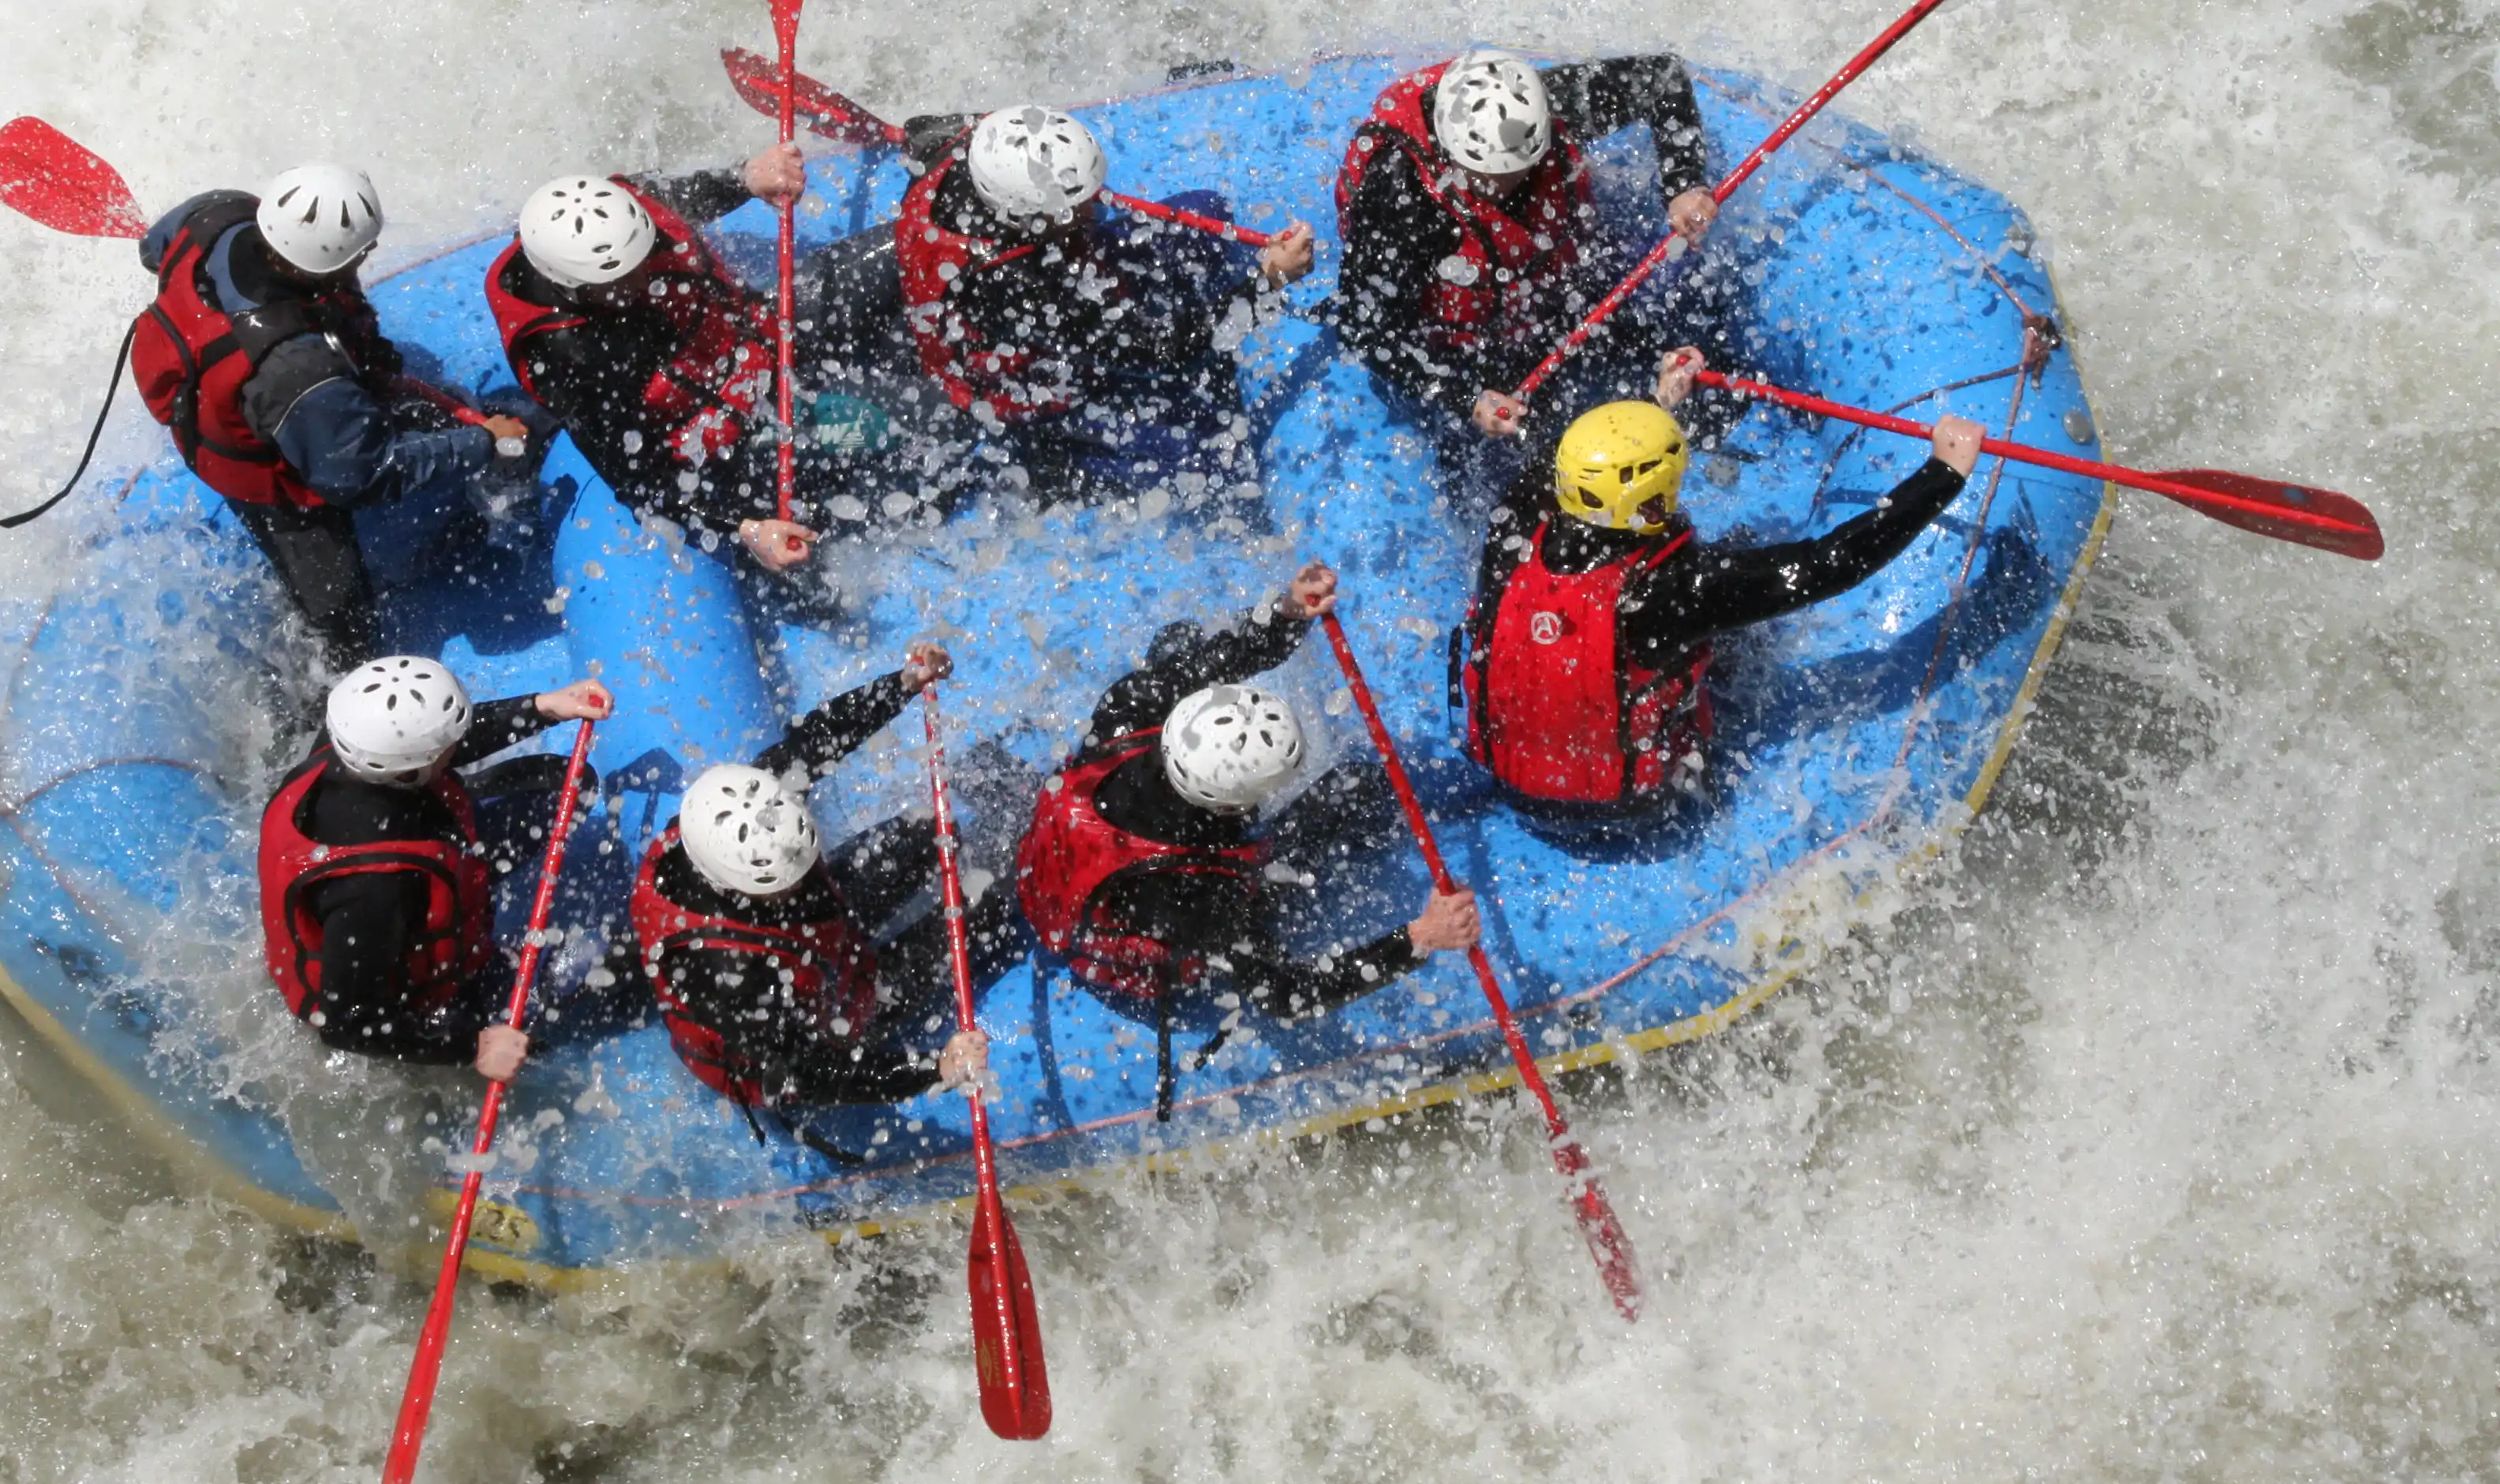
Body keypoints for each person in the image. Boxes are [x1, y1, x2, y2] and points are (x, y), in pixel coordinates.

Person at [1015, 561, 1482, 1116]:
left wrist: (1288, 611)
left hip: (1059, 861)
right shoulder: (1197, 895)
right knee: (1355, 789)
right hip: (1132, 943)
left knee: (1182, 649)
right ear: (1230, 804)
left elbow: (1222, 658)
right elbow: (1285, 996)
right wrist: (1419, 938)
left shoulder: (1132, 704)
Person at [1460, 357, 1987, 820]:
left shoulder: (1515, 526)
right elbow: (1832, 563)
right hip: (1630, 807)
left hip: (1512, 790)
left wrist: (1659, 402)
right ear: (1652, 495)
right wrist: (1944, 473)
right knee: (1744, 605)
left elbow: (1552, 456)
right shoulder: (1677, 588)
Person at [136, 165, 552, 665]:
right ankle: (320, 696)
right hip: (268, 471)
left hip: (270, 391)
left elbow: (151, 250)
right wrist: (486, 443)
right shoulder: (299, 369)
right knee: (344, 626)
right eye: (361, 253)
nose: (368, 257)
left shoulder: (217, 214)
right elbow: (362, 475)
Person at [629, 644, 1021, 1126]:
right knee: (991, 915)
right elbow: (806, 1074)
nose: (799, 882)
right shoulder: (725, 978)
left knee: (930, 830)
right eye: (782, 883)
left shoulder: (746, 808)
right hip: (815, 1018)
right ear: (734, 884)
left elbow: (820, 738)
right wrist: (931, 1069)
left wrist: (901, 684)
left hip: (814, 941)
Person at [893, 104, 1315, 508]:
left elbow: (918, 131)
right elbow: (1163, 352)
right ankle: (1059, 468)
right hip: (1030, 382)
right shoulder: (1015, 285)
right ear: (1022, 214)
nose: (1092, 206)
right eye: (1076, 204)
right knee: (1213, 465)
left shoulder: (973, 140)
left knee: (1206, 212)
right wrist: (1269, 281)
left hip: (1050, 268)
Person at [1331, 50, 1721, 476]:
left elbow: (1662, 76)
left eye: (1520, 169)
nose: (1506, 185)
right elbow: (1363, 326)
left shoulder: (1540, 108)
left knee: (1684, 355)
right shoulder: (1400, 195)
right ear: (1449, 151)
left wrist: (1684, 184)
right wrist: (1468, 397)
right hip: (1467, 343)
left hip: (1556, 288)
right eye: (1488, 176)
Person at [257, 656, 614, 1071]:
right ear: (411, 770)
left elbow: (435, 742)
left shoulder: (353, 741)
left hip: (418, 850)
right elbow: (347, 1025)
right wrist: (474, 1049)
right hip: (405, 989)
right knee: (569, 1003)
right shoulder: (375, 892)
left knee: (568, 784)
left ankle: (465, 889)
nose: (456, 746)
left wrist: (541, 708)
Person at [485, 145, 829, 574]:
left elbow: (682, 194)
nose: (641, 277)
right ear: (570, 286)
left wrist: (746, 178)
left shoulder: (624, 210)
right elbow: (638, 481)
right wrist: (745, 528)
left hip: (760, 345)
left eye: (641, 259)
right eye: (617, 280)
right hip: (720, 443)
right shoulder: (567, 360)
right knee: (857, 460)